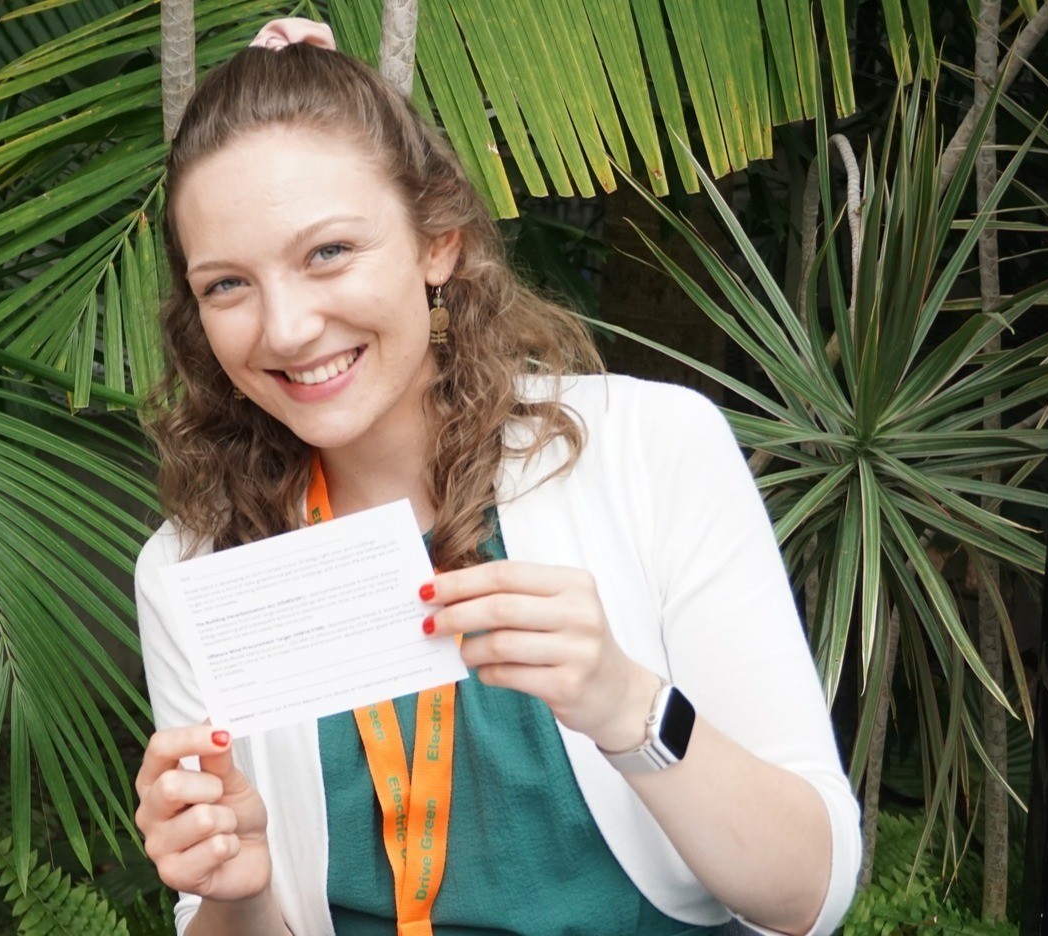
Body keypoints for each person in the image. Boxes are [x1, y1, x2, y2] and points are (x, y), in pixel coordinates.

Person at [131, 20, 859, 936]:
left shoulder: (649, 449)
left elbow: (810, 894)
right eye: (227, 284)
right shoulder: (198, 570)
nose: (284, 329)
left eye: (328, 253)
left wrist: (625, 704)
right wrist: (234, 892)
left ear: (439, 242)